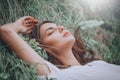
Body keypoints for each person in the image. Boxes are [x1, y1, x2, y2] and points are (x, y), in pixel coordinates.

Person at [0, 16, 120, 80]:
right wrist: (19, 26)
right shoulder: (55, 74)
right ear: (43, 47)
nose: (61, 27)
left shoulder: (98, 64)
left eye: (58, 26)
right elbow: (6, 31)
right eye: (51, 32)